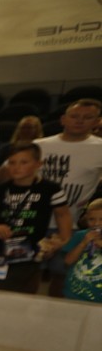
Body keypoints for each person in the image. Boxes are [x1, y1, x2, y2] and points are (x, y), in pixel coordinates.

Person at [0, 143, 72, 293]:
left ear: (38, 164)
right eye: (12, 162)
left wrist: (62, 241)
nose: (16, 167)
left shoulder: (50, 189)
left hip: (30, 250)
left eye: (24, 162)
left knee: (20, 290)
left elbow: (63, 214)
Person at [35, 99, 102, 296]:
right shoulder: (39, 145)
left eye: (87, 117)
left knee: (63, 275)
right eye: (74, 116)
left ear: (96, 122)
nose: (79, 121)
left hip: (71, 225)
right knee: (29, 273)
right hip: (35, 221)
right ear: (63, 119)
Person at [62, 199, 102, 302]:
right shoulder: (80, 235)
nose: (96, 223)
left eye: (101, 219)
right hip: (73, 294)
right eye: (91, 219)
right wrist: (83, 243)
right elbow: (68, 261)